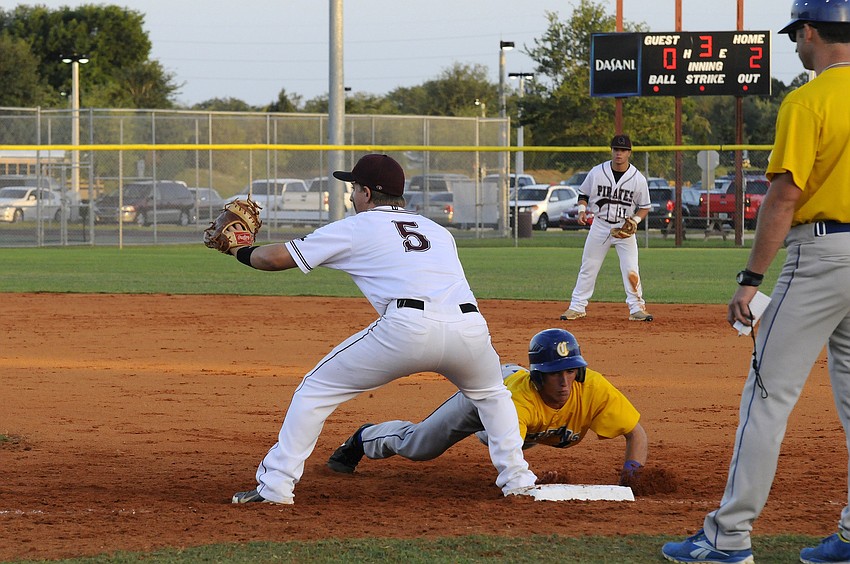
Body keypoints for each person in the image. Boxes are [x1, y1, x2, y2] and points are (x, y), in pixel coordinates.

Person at [223, 154, 537, 505]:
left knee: (315, 390)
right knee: (494, 396)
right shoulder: (439, 231)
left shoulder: (358, 225)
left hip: (408, 327)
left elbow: (276, 259)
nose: (352, 195)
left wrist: (241, 250)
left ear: (368, 193)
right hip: (471, 328)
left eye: (355, 188)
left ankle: (276, 487)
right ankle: (518, 480)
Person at [661, 2, 850, 563]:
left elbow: (785, 196)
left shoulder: (809, 98)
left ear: (811, 30)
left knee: (766, 398)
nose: (795, 43)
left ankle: (728, 537)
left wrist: (751, 280)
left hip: (820, 255)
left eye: (797, 34)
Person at [326, 328, 648, 487]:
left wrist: (633, 475)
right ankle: (362, 439)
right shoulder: (517, 401)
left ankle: (494, 433)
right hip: (490, 391)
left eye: (569, 371)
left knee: (512, 437)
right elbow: (512, 469)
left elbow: (636, 433)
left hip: (519, 418)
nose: (564, 382)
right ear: (538, 377)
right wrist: (531, 481)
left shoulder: (592, 388)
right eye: (554, 374)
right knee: (420, 445)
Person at [560, 134, 653, 322]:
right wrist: (581, 210)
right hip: (600, 225)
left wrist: (634, 221)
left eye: (623, 150)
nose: (619, 153)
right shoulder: (597, 172)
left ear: (629, 153)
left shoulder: (637, 178)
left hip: (624, 228)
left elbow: (645, 207)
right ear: (611, 151)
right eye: (616, 150)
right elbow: (583, 194)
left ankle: (636, 308)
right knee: (588, 267)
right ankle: (577, 307)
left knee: (631, 269)